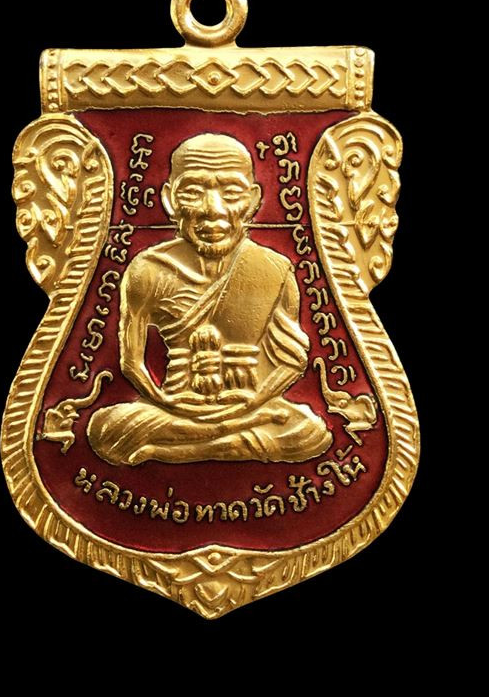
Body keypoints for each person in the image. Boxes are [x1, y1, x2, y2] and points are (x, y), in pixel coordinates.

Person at [87, 133, 332, 465]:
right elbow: (131, 362)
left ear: (253, 200)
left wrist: (252, 403)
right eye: (193, 192)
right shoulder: (149, 269)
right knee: (106, 429)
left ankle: (178, 450)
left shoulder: (272, 268)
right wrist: (165, 401)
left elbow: (292, 361)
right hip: (176, 405)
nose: (212, 210)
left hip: (250, 402)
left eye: (231, 193)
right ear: (170, 199)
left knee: (310, 431)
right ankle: (226, 440)